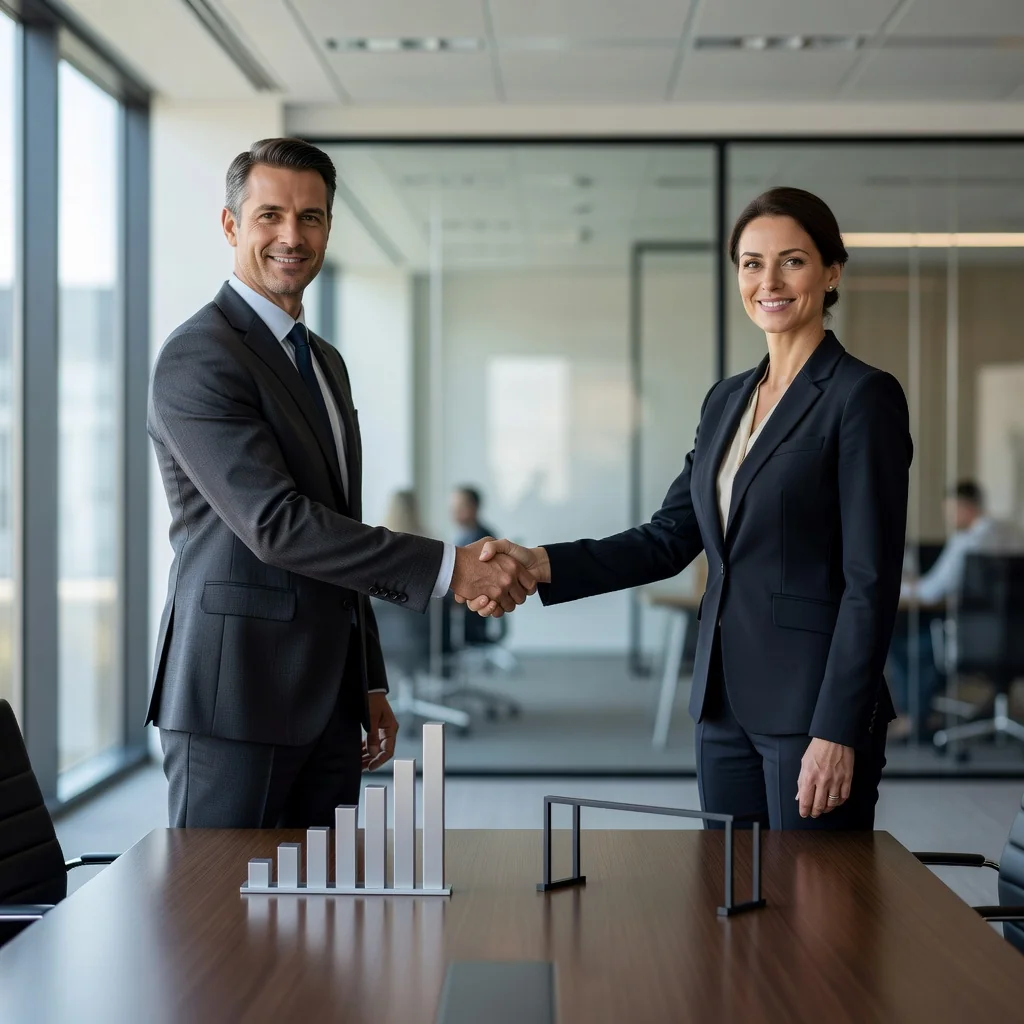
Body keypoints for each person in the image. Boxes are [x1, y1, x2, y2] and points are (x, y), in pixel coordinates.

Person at [466, 187, 912, 830]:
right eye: (752, 263)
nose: (769, 281)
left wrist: (839, 728)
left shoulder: (861, 396)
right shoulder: (726, 401)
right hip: (722, 703)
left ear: (831, 271)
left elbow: (872, 581)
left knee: (818, 917)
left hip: (811, 708)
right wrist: (539, 564)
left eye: (793, 260)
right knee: (730, 904)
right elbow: (669, 537)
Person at [147, 138, 535, 828]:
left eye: (312, 218)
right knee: (219, 918)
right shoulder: (199, 355)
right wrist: (451, 568)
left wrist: (368, 677)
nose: (292, 237)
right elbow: (279, 525)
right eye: (269, 216)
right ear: (232, 226)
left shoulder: (323, 361)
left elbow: (338, 525)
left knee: (318, 914)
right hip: (237, 695)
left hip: (327, 696)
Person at [889, 481, 1024, 738]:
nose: (949, 518)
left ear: (965, 507)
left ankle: (915, 718)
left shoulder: (967, 542)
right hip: (1016, 639)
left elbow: (931, 592)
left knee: (903, 643)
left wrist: (896, 584)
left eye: (951, 511)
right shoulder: (1014, 534)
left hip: (971, 641)